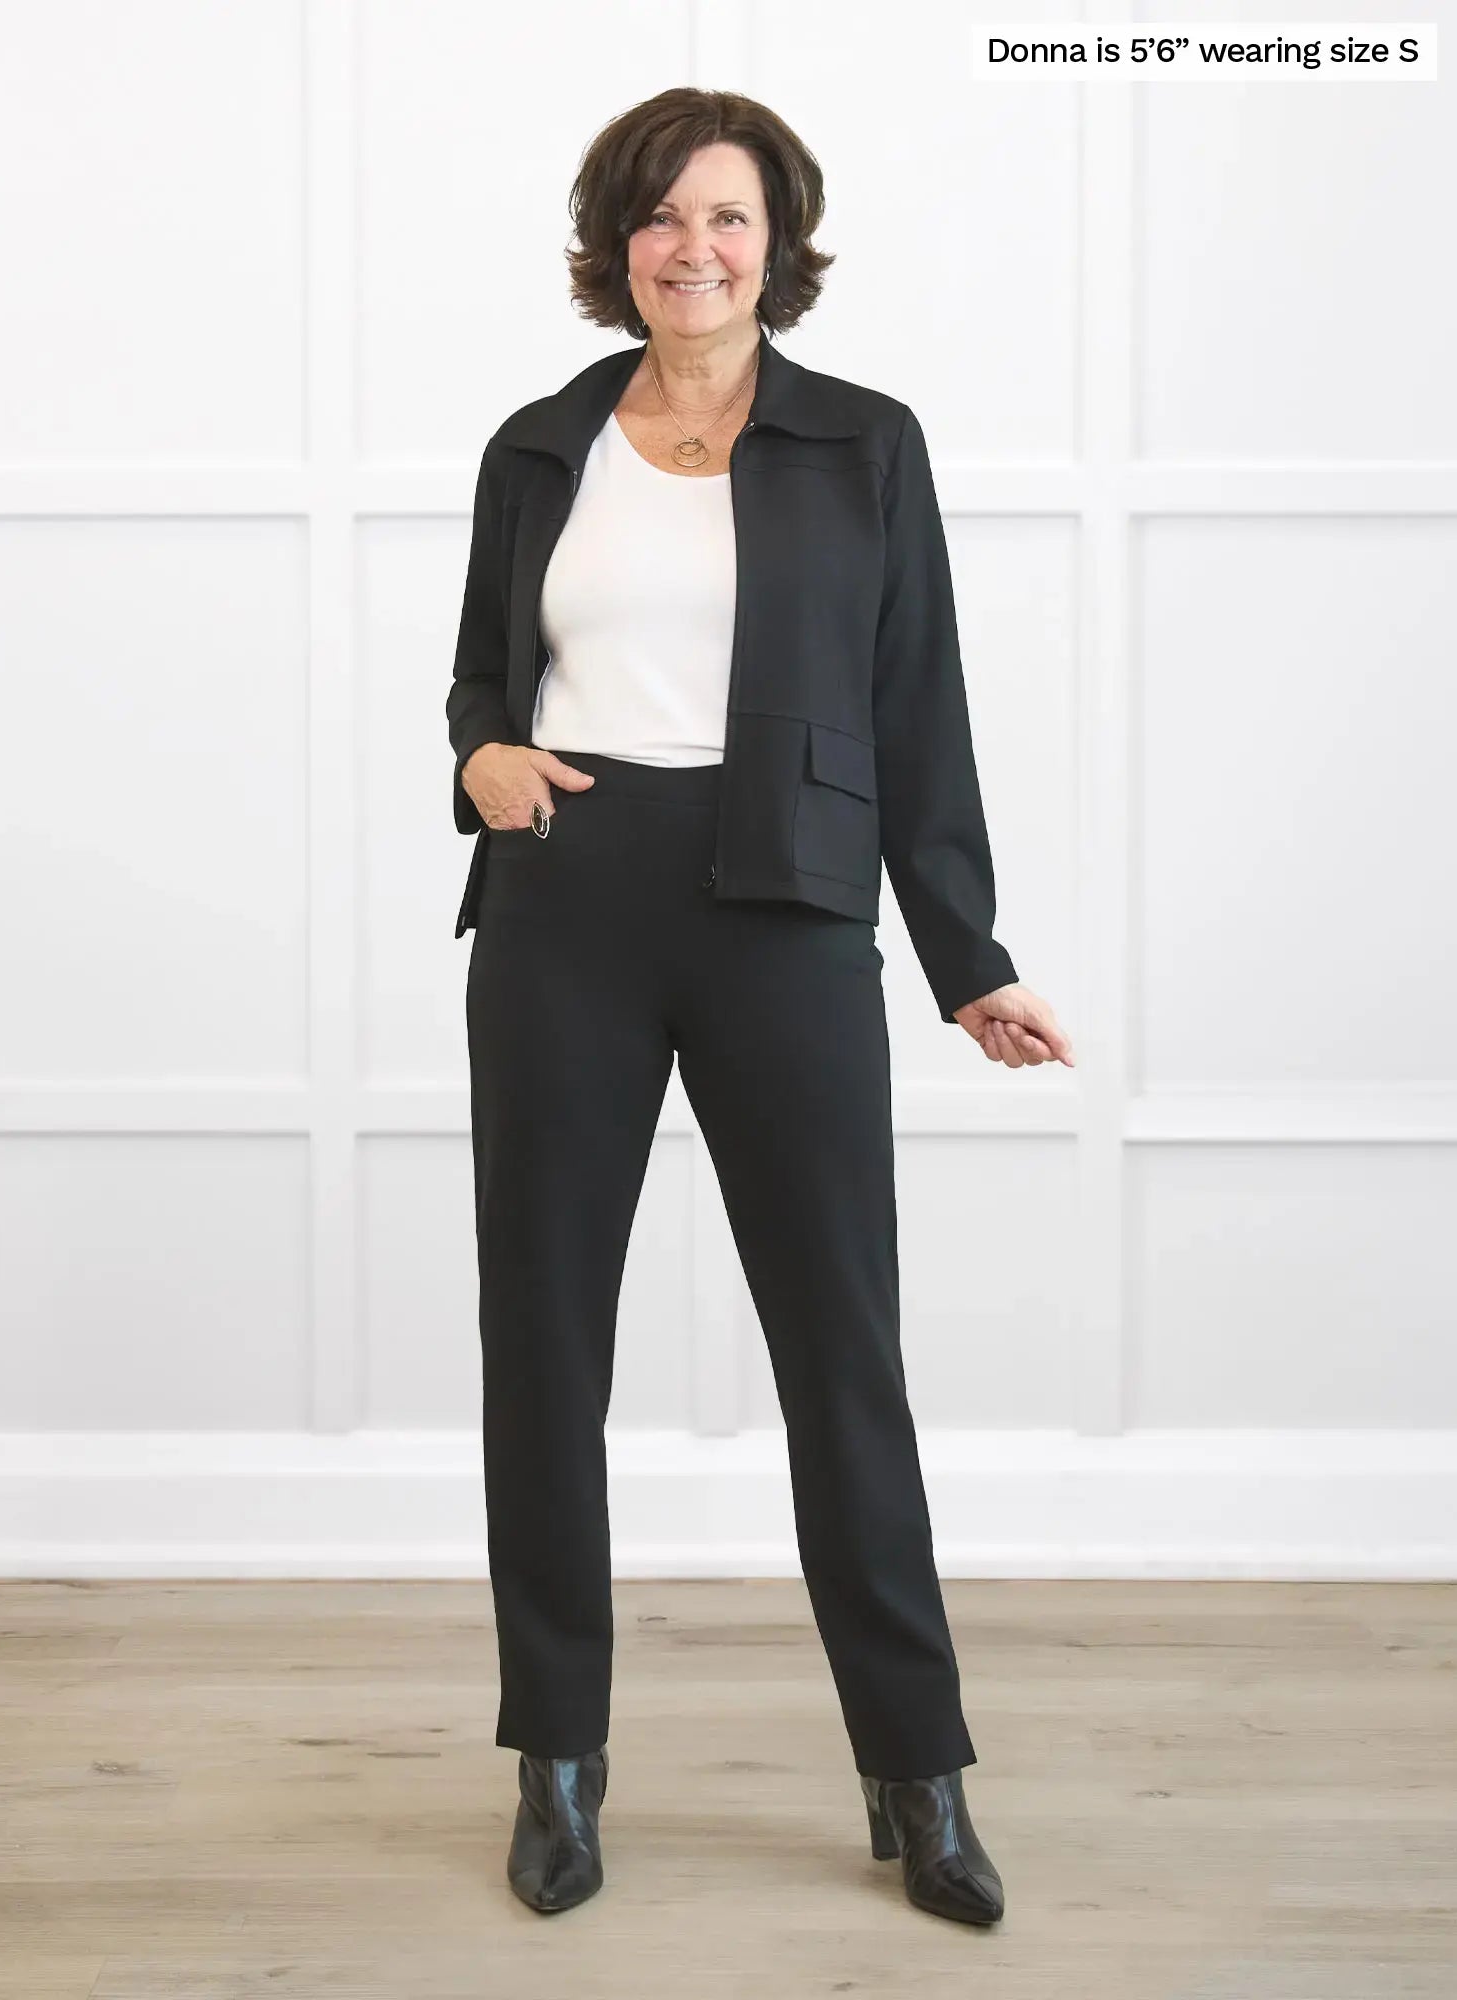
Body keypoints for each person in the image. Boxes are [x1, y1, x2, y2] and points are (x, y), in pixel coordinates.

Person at [447, 87, 1074, 1923]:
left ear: (776, 239)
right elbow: (485, 683)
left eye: (723, 217)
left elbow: (919, 712)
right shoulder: (540, 445)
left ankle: (919, 1770)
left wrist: (963, 957)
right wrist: (482, 757)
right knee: (544, 1346)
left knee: (841, 1352)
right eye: (657, 217)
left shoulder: (863, 446)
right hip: (567, 901)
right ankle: (556, 1756)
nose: (690, 248)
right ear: (615, 243)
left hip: (785, 905)